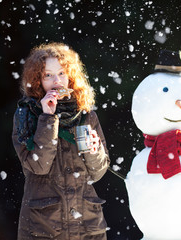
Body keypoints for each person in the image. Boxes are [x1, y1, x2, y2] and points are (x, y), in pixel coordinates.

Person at [12, 42, 110, 240]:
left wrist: (94, 150)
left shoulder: (86, 114)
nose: (57, 81)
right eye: (48, 75)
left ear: (71, 77)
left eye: (62, 73)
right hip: (44, 228)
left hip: (87, 226)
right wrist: (48, 117)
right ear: (37, 79)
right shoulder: (25, 115)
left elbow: (98, 172)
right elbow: (38, 166)